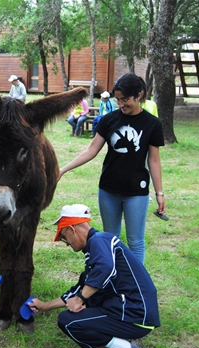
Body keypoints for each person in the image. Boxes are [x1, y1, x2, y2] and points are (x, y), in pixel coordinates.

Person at [28, 204, 160, 348]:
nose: (66, 244)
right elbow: (82, 287)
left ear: (72, 229)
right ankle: (121, 335)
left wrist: (80, 299)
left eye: (63, 237)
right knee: (89, 298)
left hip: (136, 315)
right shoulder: (96, 248)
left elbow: (104, 269)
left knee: (68, 322)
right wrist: (46, 306)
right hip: (136, 312)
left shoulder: (99, 240)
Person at [58, 73, 166, 264]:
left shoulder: (152, 124)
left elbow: (154, 161)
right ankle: (113, 279)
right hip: (108, 189)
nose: (121, 104)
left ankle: (135, 285)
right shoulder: (109, 120)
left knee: (135, 241)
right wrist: (63, 170)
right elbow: (91, 150)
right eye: (118, 100)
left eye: (126, 99)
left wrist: (159, 193)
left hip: (136, 192)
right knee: (110, 239)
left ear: (139, 95)